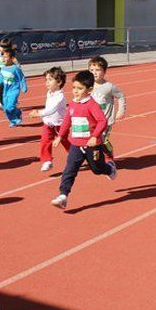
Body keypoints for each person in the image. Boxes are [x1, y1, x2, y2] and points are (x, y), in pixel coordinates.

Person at [49, 71, 117, 209]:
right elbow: (67, 121)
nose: (75, 91)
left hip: (92, 146)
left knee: (97, 169)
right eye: (74, 88)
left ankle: (110, 169)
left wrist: (94, 136)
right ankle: (63, 195)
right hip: (76, 145)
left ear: (89, 90)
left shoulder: (92, 105)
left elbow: (102, 121)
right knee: (69, 170)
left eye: (80, 89)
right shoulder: (73, 104)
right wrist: (60, 136)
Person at [29, 67, 71, 172]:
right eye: (46, 80)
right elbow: (48, 108)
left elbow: (52, 109)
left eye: (50, 80)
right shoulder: (49, 93)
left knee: (65, 141)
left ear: (59, 82)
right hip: (48, 124)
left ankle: (76, 155)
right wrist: (43, 116)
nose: (47, 82)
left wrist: (39, 113)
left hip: (60, 124)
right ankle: (47, 161)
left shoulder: (60, 96)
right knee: (45, 141)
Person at [89, 56, 126, 161]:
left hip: (106, 120)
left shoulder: (109, 87)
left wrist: (121, 111)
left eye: (97, 70)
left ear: (104, 71)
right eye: (92, 70)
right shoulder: (87, 85)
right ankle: (95, 159)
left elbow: (121, 97)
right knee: (93, 140)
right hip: (92, 120)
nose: (94, 73)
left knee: (103, 140)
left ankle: (109, 153)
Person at [0, 46, 27, 126]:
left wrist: (24, 87)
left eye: (5, 57)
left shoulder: (15, 68)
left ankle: (16, 118)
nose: (3, 59)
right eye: (2, 57)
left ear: (12, 58)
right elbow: (1, 79)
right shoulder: (2, 69)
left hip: (14, 90)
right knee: (6, 108)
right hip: (6, 91)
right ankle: (14, 119)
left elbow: (21, 78)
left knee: (10, 107)